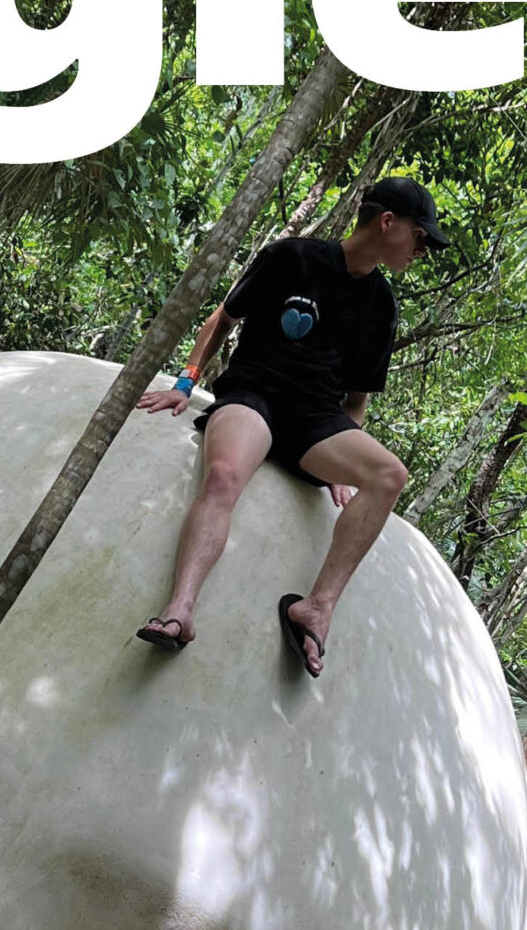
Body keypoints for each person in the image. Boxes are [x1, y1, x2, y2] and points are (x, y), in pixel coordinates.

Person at [134, 175, 447, 678]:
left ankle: (317, 607)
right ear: (388, 223)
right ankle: (179, 609)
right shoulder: (292, 257)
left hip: (315, 419)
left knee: (389, 475)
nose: (422, 250)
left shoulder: (382, 305)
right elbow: (223, 319)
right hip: (254, 395)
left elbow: (357, 400)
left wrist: (342, 469)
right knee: (224, 476)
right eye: (420, 235)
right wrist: (185, 383)